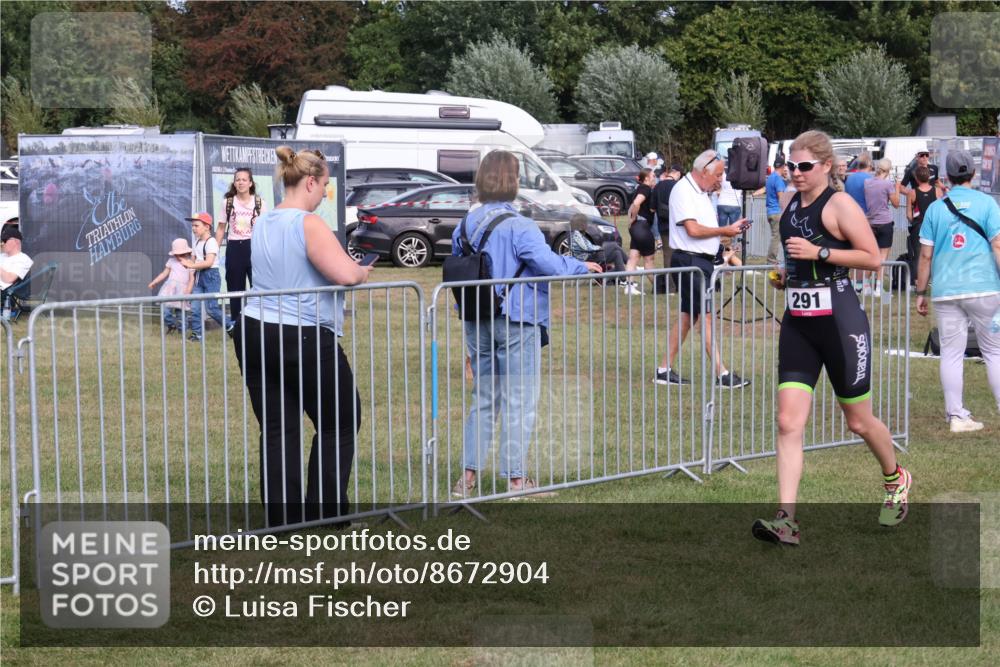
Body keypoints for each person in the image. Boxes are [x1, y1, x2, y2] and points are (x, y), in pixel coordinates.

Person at [753, 130, 911, 546]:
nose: (796, 173)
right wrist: (785, 274)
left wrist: (820, 253)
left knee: (858, 420)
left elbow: (873, 259)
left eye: (805, 166)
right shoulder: (790, 205)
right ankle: (786, 520)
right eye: (791, 165)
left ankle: (896, 478)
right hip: (799, 324)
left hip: (841, 324)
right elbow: (795, 258)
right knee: (788, 422)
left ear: (826, 166)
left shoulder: (839, 204)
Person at [236, 146, 373, 527]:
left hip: (255, 330)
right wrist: (362, 272)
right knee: (340, 419)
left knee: (279, 426)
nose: (326, 193)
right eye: (326, 185)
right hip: (302, 333)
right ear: (310, 182)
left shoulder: (263, 221)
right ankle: (327, 515)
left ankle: (283, 521)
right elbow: (345, 274)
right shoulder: (309, 223)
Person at [451, 150, 602, 498]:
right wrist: (581, 266)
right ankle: (517, 481)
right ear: (512, 181)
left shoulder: (466, 224)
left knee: (485, 398)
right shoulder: (521, 225)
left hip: (478, 319)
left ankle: (467, 480)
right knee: (520, 400)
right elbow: (547, 264)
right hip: (518, 320)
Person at [915, 149, 1000, 433]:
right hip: (984, 287)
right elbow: (997, 245)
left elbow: (925, 256)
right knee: (994, 352)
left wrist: (920, 292)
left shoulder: (936, 209)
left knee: (951, 353)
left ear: (946, 177)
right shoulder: (988, 204)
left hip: (947, 290)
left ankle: (956, 416)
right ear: (973, 174)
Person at [655, 149, 749, 388]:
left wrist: (727, 237)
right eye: (718, 174)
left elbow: (703, 231)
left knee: (689, 317)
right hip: (691, 262)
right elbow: (693, 230)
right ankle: (722, 374)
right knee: (705, 317)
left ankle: (664, 369)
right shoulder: (683, 190)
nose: (721, 179)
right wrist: (724, 231)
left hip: (700, 261)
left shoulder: (700, 192)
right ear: (703, 171)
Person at [215, 168, 265, 324]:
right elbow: (221, 228)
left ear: (250, 183)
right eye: (238, 179)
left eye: (244, 179)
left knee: (258, 287)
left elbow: (266, 229)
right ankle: (237, 324)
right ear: (234, 183)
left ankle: (261, 322)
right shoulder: (227, 203)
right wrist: (213, 251)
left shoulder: (260, 203)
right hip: (234, 248)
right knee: (235, 289)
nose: (241, 182)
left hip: (254, 247)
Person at [181, 212, 234, 342]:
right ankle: (197, 334)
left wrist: (191, 265)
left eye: (196, 225)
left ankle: (231, 326)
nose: (193, 228)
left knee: (211, 309)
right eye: (192, 226)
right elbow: (193, 261)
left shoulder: (212, 243)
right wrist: (189, 266)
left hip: (211, 276)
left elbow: (209, 262)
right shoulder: (197, 242)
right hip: (199, 276)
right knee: (195, 307)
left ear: (207, 227)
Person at [862, 158, 901, 296]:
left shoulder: (867, 183)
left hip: (871, 223)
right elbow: (896, 203)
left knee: (872, 255)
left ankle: (865, 284)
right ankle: (878, 288)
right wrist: (897, 187)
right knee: (882, 257)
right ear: (888, 170)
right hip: (884, 222)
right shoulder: (887, 184)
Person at [148, 238, 195, 334]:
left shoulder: (191, 263)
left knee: (181, 314)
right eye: (177, 254)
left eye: (181, 254)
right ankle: (171, 324)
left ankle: (182, 333)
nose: (179, 257)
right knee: (164, 309)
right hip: (170, 289)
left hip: (183, 290)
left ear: (187, 252)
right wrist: (155, 282)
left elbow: (191, 279)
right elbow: (164, 273)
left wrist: (188, 291)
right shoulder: (171, 261)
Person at [623, 168, 658, 295]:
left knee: (633, 258)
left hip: (636, 228)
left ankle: (629, 286)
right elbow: (637, 203)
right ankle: (659, 288)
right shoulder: (646, 188)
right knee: (649, 260)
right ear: (647, 178)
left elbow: (633, 204)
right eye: (653, 175)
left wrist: (631, 220)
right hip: (642, 227)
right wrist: (633, 218)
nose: (655, 177)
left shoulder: (639, 188)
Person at [905, 165, 939, 286]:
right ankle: (933, 281)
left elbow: (909, 214)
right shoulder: (937, 191)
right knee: (935, 253)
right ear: (929, 177)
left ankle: (918, 282)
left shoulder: (912, 192)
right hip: (934, 226)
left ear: (917, 179)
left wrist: (912, 222)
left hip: (918, 225)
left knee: (917, 254)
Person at [652, 163, 683, 270]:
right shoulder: (679, 186)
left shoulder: (657, 186)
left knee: (667, 255)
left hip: (663, 225)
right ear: (678, 174)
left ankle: (670, 285)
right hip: (678, 225)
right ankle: (680, 282)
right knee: (681, 254)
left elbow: (652, 208)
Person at [764, 157, 788, 263]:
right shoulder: (778, 179)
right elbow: (781, 197)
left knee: (776, 236)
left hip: (770, 211)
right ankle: (771, 259)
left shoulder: (770, 178)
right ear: (783, 167)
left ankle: (774, 258)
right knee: (776, 236)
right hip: (777, 211)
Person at [0, 227, 32, 299]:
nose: (2, 243)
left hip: (5, 292)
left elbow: (9, 278)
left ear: (16, 242)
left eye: (5, 240)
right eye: (1, 240)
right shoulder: (2, 256)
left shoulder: (23, 259)